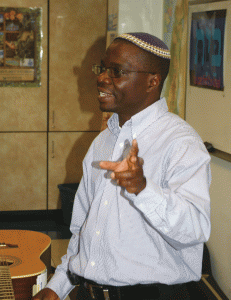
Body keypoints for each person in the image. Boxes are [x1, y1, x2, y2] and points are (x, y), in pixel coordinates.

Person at [32, 32, 211, 300]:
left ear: (152, 81)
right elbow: (83, 231)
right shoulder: (103, 141)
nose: (102, 78)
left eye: (116, 71)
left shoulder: (181, 143)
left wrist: (142, 189)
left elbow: (195, 229)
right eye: (102, 68)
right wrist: (57, 287)